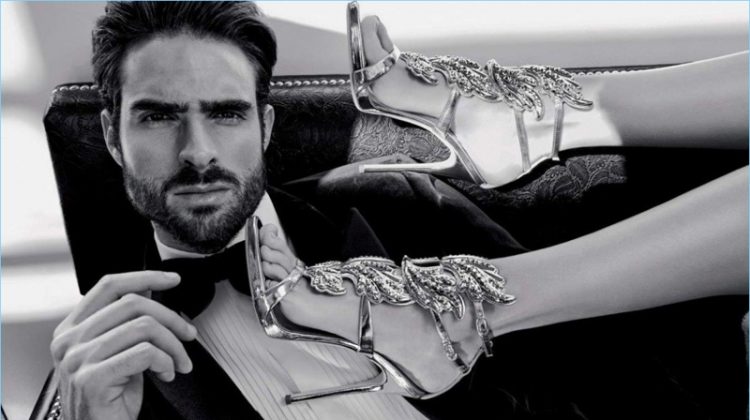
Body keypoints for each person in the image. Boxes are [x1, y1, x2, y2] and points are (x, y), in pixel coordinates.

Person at [49, 2, 746, 420]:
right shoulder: (107, 370)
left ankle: (545, 123)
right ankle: (538, 126)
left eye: (225, 113)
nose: (198, 150)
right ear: (111, 135)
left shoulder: (387, 205)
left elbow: (614, 383)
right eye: (159, 116)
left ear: (264, 126)